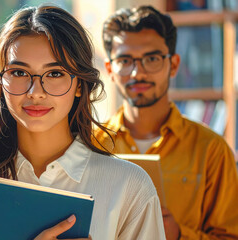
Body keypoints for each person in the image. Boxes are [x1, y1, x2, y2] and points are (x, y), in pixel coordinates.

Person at [0, 5, 166, 240]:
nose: (35, 92)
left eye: (55, 73)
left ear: (80, 85)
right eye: (19, 72)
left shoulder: (129, 187)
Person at [96, 5, 238, 240]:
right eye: (125, 60)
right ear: (110, 69)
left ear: (173, 65)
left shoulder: (211, 150)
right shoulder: (92, 145)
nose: (137, 73)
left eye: (151, 58)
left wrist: (179, 235)